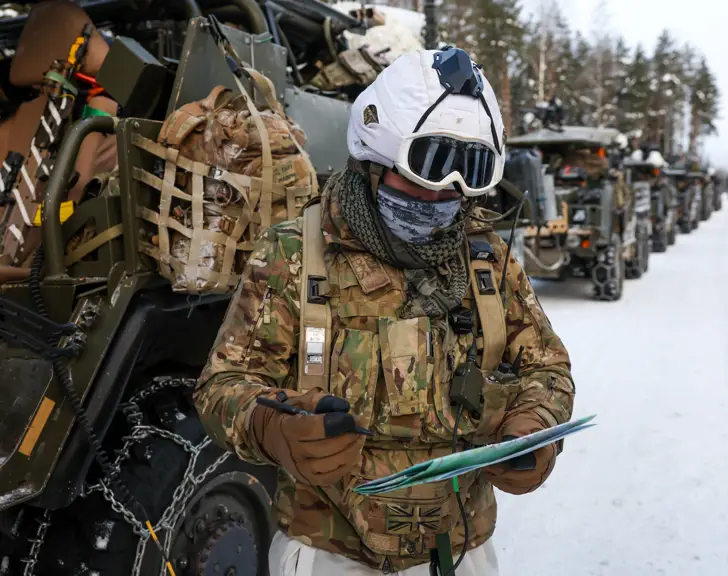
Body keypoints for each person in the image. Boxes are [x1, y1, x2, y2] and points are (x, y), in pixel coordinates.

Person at [194, 47, 575, 576]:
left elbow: (548, 368)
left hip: (458, 554)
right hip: (329, 552)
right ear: (376, 158)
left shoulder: (486, 263)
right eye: (431, 169)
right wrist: (269, 426)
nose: (445, 194)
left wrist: (534, 425)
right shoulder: (294, 257)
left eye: (468, 177)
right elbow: (222, 384)